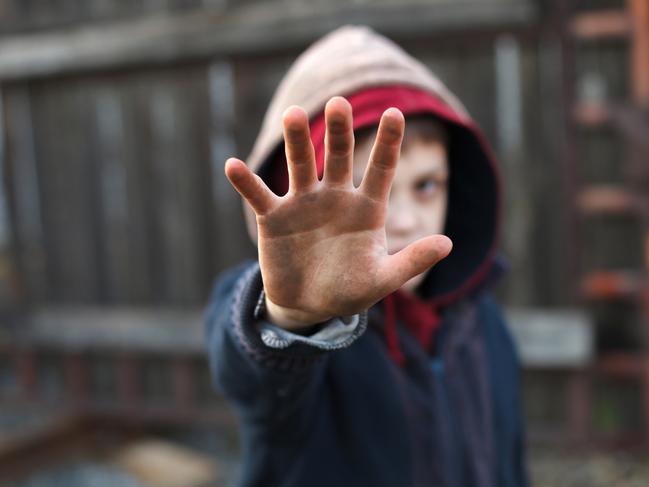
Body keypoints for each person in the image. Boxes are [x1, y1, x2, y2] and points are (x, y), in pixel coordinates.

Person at [205, 25, 527, 487]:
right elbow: (250, 377)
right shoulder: (305, 351)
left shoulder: (484, 325)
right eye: (367, 193)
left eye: (427, 185)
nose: (404, 220)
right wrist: (291, 319)